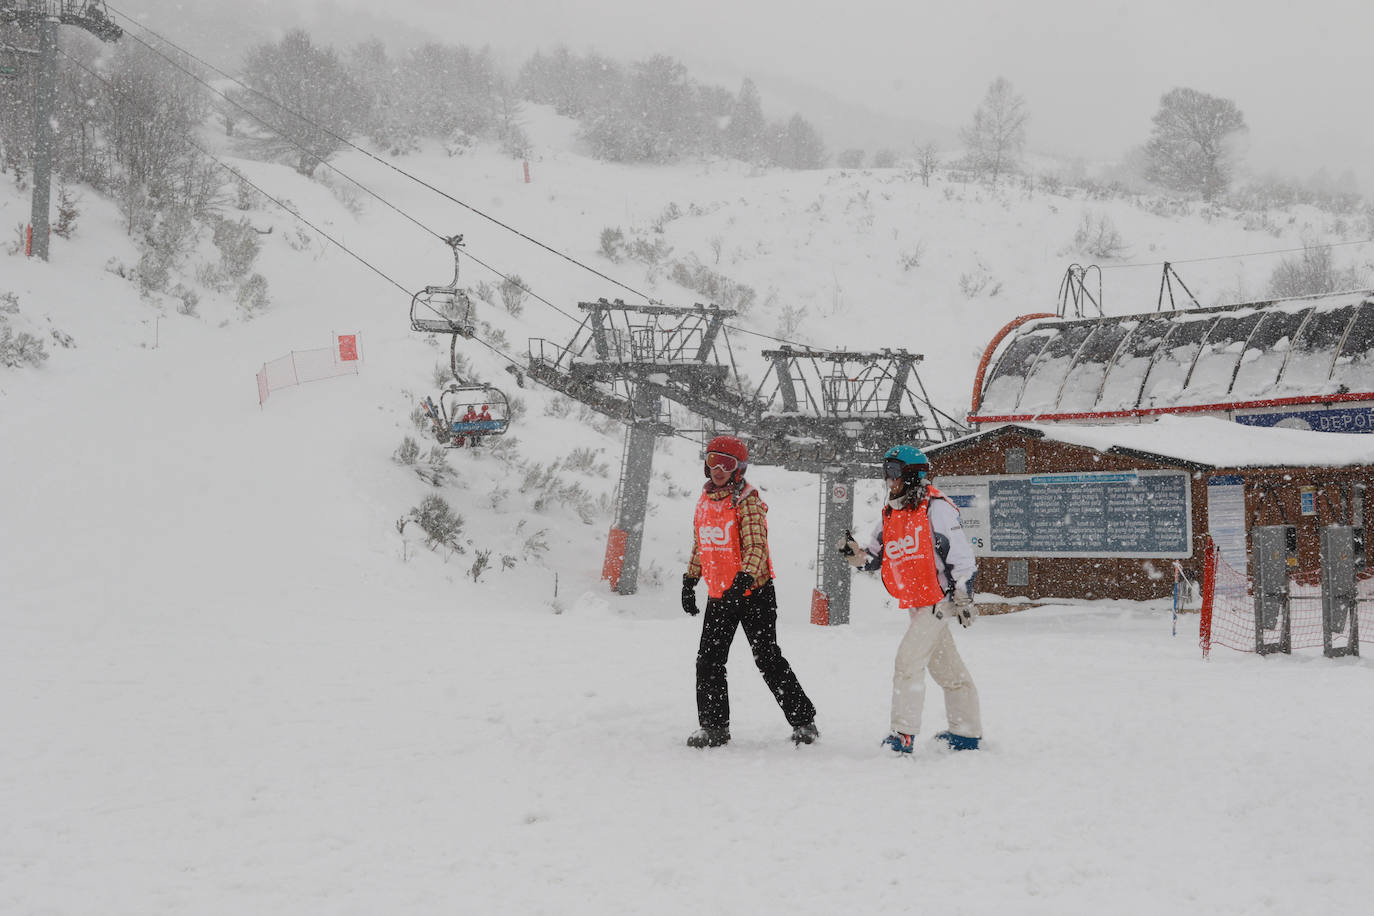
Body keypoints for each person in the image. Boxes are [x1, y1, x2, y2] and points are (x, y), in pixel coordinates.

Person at [841, 444, 982, 753]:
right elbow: (875, 557)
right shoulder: (893, 513)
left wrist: (963, 596)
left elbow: (962, 558)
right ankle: (966, 731)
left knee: (908, 661)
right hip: (919, 603)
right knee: (947, 669)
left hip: (939, 600)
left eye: (893, 473)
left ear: (912, 475)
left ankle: (902, 735)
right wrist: (853, 553)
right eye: (886, 473)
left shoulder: (936, 508)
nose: (889, 481)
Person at [682, 435, 819, 748]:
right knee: (708, 661)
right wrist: (690, 579)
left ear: (739, 469)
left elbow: (756, 546)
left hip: (753, 594)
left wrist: (743, 579)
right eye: (713, 460)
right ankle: (714, 726)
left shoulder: (746, 499)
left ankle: (803, 720)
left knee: (767, 658)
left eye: (726, 464)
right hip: (720, 595)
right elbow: (701, 543)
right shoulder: (705, 500)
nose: (718, 469)